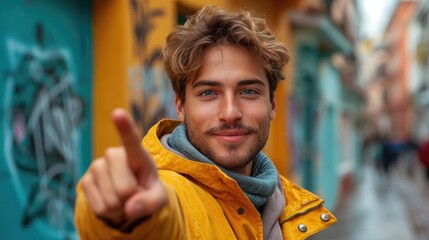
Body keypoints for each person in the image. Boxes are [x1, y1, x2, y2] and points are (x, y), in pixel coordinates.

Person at [74, 5, 336, 239]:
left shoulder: (284, 202)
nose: (230, 112)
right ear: (180, 106)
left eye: (248, 91)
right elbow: (163, 221)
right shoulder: (171, 192)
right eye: (208, 93)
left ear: (272, 105)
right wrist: (127, 218)